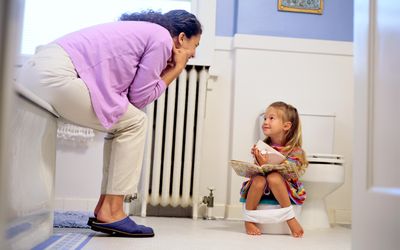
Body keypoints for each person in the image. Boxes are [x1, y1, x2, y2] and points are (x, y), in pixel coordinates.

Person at [16, 9, 202, 237]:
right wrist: (176, 68)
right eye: (196, 45)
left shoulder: (146, 33)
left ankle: (106, 207)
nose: (193, 53)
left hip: (36, 74)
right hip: (54, 75)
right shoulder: (162, 38)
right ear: (182, 38)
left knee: (124, 123)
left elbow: (131, 97)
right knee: (135, 122)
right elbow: (139, 99)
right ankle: (112, 210)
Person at [241, 101, 308, 237]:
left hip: (284, 188)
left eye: (271, 118)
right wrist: (260, 164)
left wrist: (271, 165)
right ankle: (249, 219)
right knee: (259, 180)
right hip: (262, 188)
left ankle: (290, 218)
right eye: (265, 118)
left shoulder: (295, 151)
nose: (266, 121)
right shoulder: (262, 146)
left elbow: (292, 173)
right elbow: (258, 172)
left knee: (274, 177)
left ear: (286, 126)